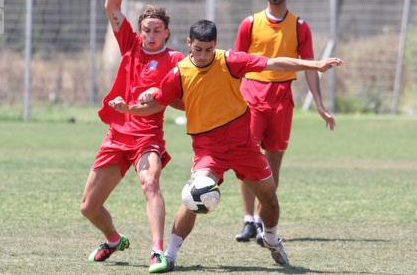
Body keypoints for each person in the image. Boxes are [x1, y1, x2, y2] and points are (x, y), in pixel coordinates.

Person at [108, 20, 343, 272]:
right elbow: (159, 103)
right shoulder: (179, 72)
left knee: (270, 198)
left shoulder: (230, 60)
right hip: (208, 149)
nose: (203, 55)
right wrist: (129, 109)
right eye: (198, 49)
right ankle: (170, 255)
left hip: (244, 146)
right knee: (194, 196)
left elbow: (273, 63)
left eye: (208, 50)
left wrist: (314, 64)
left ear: (215, 45)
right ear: (189, 44)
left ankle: (272, 239)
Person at [80, 0, 185, 274]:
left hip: (148, 137)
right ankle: (113, 239)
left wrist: (149, 101)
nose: (150, 35)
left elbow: (176, 103)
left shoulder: (177, 59)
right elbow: (111, 8)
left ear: (167, 32)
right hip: (117, 136)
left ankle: (158, 252)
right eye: (146, 29)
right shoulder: (129, 46)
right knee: (88, 207)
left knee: (150, 183)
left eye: (157, 30)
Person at [234, 0, 338, 243]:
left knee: (273, 160)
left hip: (282, 98)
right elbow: (236, 65)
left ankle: (259, 218)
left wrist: (319, 103)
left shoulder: (300, 26)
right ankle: (247, 220)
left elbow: (309, 67)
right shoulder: (250, 23)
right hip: (252, 96)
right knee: (247, 158)